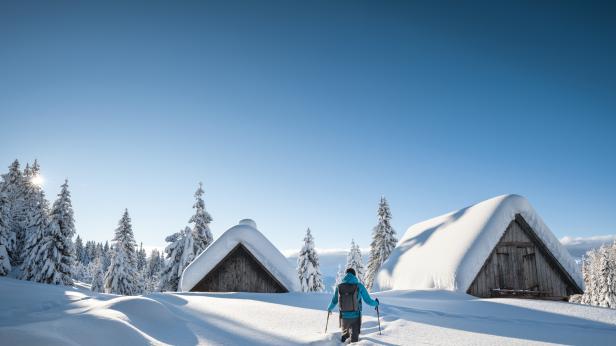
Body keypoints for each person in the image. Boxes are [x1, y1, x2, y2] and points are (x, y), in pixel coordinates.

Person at [327, 268, 379, 343]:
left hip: (344, 316)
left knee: (345, 333)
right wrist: (376, 303)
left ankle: (344, 336)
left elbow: (334, 301)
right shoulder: (359, 286)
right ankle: (352, 341)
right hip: (356, 317)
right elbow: (368, 301)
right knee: (354, 340)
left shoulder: (339, 287)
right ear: (354, 275)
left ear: (346, 275)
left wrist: (329, 308)